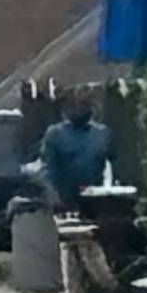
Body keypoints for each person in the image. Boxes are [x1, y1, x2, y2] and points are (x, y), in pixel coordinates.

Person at [31, 85, 112, 213]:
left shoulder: (101, 133)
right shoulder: (56, 133)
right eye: (76, 105)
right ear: (67, 108)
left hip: (95, 200)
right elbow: (47, 168)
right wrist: (54, 196)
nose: (80, 109)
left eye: (85, 104)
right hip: (63, 201)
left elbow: (111, 164)